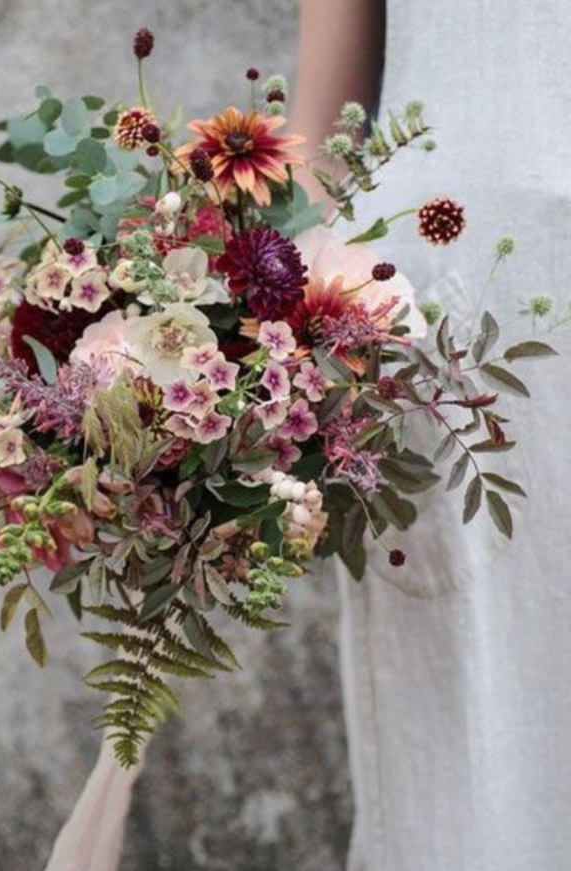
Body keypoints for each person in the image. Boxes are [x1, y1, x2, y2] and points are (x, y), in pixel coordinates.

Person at [292, 2, 571, 870]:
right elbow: (318, 137)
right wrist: (264, 337)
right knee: (477, 748)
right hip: (440, 315)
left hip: (449, 291)